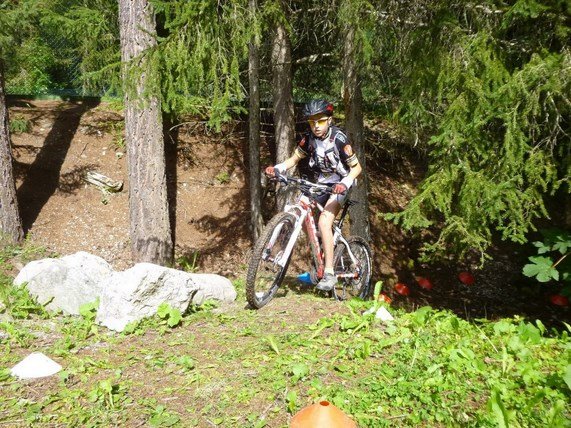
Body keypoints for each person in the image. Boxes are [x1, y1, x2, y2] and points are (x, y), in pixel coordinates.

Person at [265, 99, 362, 292]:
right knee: (301, 211)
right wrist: (278, 168)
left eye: (320, 121)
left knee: (324, 222)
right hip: (320, 183)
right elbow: (294, 159)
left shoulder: (340, 139)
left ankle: (328, 272)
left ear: (329, 120)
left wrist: (344, 183)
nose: (316, 126)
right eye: (312, 122)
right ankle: (318, 258)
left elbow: (357, 168)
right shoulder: (308, 138)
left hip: (341, 183)